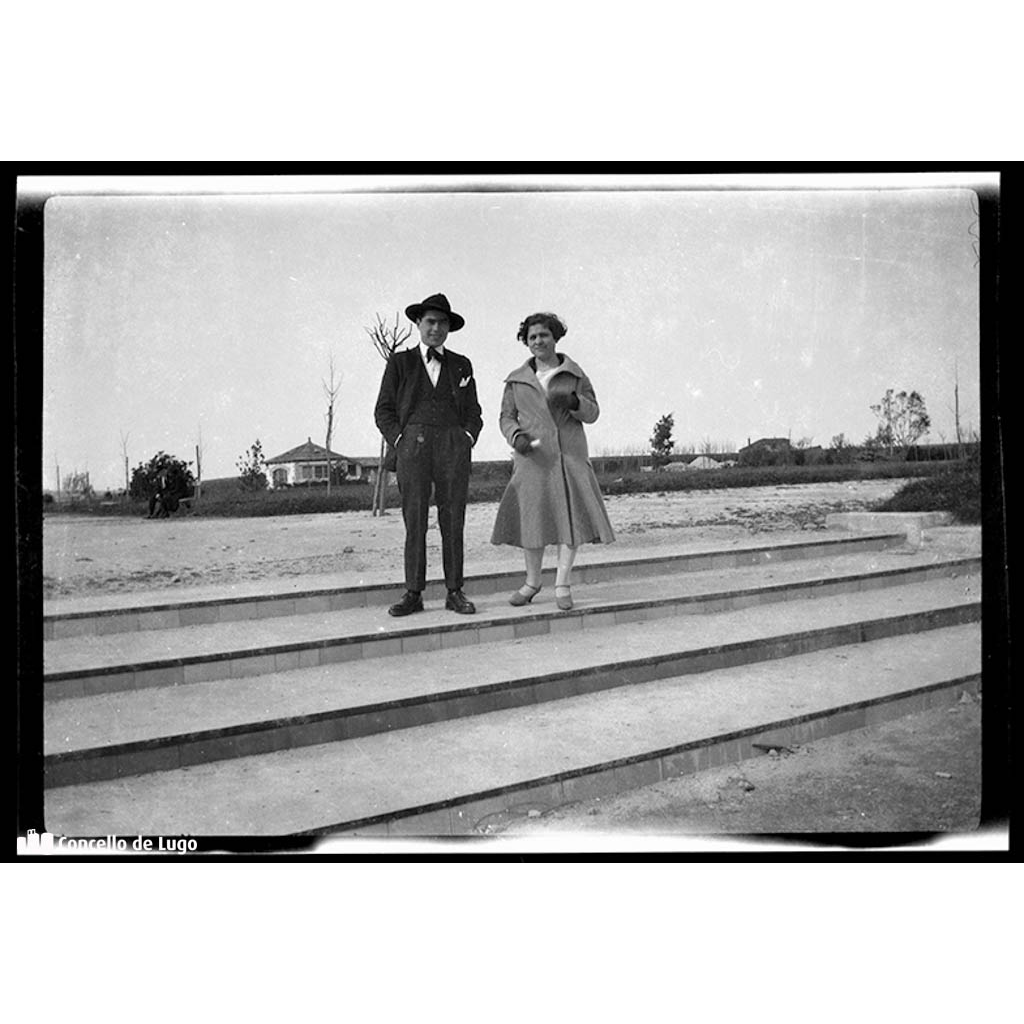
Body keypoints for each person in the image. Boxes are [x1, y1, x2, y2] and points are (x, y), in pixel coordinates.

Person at [491, 312, 614, 610]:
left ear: (555, 337)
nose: (538, 341)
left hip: (569, 454)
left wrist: (575, 403)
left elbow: (593, 412)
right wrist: (516, 436)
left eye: (544, 335)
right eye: (532, 337)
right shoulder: (516, 380)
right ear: (526, 342)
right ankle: (532, 582)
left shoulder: (575, 374)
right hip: (533, 458)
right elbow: (506, 416)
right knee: (532, 521)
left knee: (568, 520)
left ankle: (562, 584)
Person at [374, 292, 483, 616]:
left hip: (452, 447)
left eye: (442, 323)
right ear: (418, 324)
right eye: (430, 322)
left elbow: (474, 412)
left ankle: (455, 591)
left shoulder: (461, 364)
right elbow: (383, 410)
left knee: (453, 520)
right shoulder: (400, 362)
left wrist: (466, 437)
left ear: (449, 328)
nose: (436, 328)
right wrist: (400, 440)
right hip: (413, 449)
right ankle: (413, 594)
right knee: (415, 520)